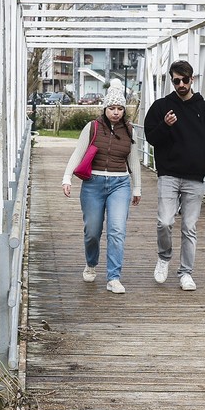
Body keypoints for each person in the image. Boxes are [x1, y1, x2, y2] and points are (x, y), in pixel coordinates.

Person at [142, 60, 205, 291]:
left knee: (189, 228)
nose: (181, 85)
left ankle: (186, 273)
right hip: (169, 174)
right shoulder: (161, 107)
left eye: (184, 80)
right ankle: (164, 257)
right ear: (172, 81)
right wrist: (165, 125)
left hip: (195, 178)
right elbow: (150, 138)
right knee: (165, 221)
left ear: (192, 79)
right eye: (176, 81)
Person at [60, 80, 141, 294]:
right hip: (93, 184)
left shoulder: (130, 131)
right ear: (105, 108)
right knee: (92, 231)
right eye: (112, 108)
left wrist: (137, 188)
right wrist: (67, 177)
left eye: (120, 108)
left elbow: (134, 161)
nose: (116, 112)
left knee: (117, 231)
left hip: (119, 184)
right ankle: (91, 263)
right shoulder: (92, 127)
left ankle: (114, 278)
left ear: (124, 110)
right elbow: (78, 153)